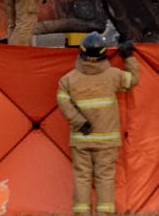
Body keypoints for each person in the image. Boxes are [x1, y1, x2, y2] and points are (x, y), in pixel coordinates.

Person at [56, 32, 139, 215]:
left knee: (82, 179)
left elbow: (63, 103)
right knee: (105, 179)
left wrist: (79, 122)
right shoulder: (113, 76)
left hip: (81, 140)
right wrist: (128, 56)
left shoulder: (68, 79)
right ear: (103, 54)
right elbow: (134, 79)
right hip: (107, 142)